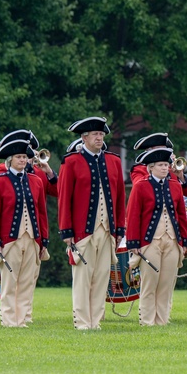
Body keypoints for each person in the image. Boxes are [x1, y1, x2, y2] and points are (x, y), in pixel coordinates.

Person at [58, 116, 126, 330]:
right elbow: (64, 198)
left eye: (101, 134)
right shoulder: (71, 162)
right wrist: (66, 231)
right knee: (82, 279)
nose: (99, 137)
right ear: (84, 137)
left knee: (101, 277)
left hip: (107, 230)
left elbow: (120, 197)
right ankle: (82, 321)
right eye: (95, 134)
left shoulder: (114, 161)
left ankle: (95, 321)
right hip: (82, 231)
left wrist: (120, 229)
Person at [0, 139, 50, 328]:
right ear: (10, 160)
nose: (23, 160)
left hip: (32, 238)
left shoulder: (36, 181)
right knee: (9, 282)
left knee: (26, 282)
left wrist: (43, 239)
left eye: (25, 157)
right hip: (9, 240)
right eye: (19, 157)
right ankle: (8, 320)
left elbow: (41, 213)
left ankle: (21, 320)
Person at [126, 148, 187, 326]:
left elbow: (181, 216)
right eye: (161, 165)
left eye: (166, 165)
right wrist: (133, 243)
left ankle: (162, 320)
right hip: (149, 242)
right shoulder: (141, 186)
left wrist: (183, 241)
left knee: (166, 284)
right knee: (149, 283)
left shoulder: (175, 185)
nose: (165, 168)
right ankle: (147, 320)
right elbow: (133, 215)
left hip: (172, 241)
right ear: (151, 167)